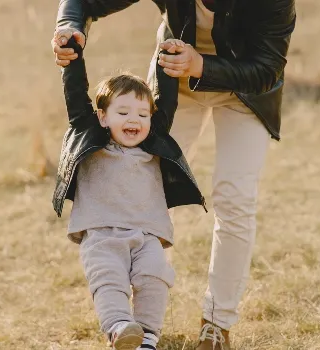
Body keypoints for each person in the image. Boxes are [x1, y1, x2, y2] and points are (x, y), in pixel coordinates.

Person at [52, 1, 297, 349]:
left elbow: (268, 68)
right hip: (173, 89)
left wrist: (200, 63)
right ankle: (131, 322)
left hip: (247, 92)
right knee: (142, 190)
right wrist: (69, 26)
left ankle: (217, 323)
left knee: (235, 198)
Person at [52, 37, 205, 350]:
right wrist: (72, 55)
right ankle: (120, 327)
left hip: (148, 233)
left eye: (142, 114)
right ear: (103, 117)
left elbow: (167, 100)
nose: (134, 120)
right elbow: (75, 97)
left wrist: (168, 56)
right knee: (109, 280)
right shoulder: (92, 138)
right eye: (122, 113)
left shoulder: (153, 142)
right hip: (101, 234)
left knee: (154, 278)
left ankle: (147, 337)